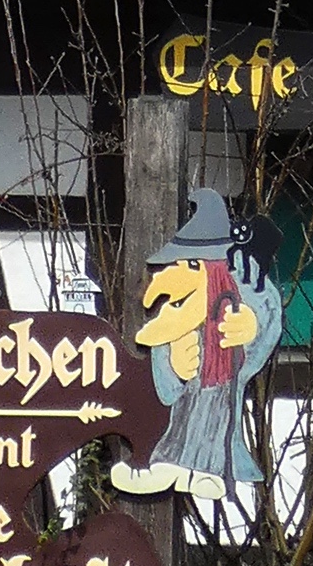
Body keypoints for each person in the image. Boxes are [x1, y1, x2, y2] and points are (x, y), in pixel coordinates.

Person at [113, 187, 284, 503]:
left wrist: (252, 326)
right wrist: (173, 365)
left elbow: (267, 309)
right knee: (182, 418)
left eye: (182, 264)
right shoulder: (177, 317)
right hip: (185, 403)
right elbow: (165, 381)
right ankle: (170, 467)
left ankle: (208, 471)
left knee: (215, 412)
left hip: (222, 394)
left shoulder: (238, 284)